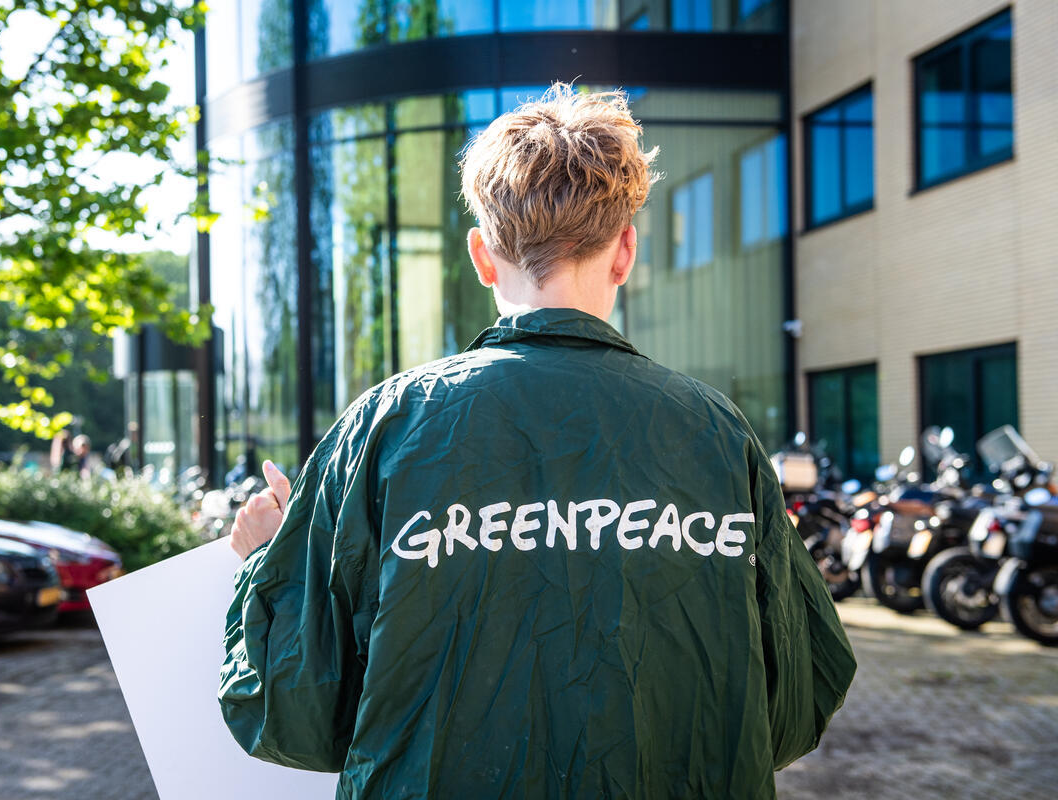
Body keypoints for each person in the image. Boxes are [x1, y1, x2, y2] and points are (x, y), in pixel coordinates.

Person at [220, 84, 856, 799]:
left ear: (482, 256)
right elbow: (796, 702)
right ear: (625, 252)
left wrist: (266, 565)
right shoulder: (718, 433)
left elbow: (291, 715)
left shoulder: (386, 427)